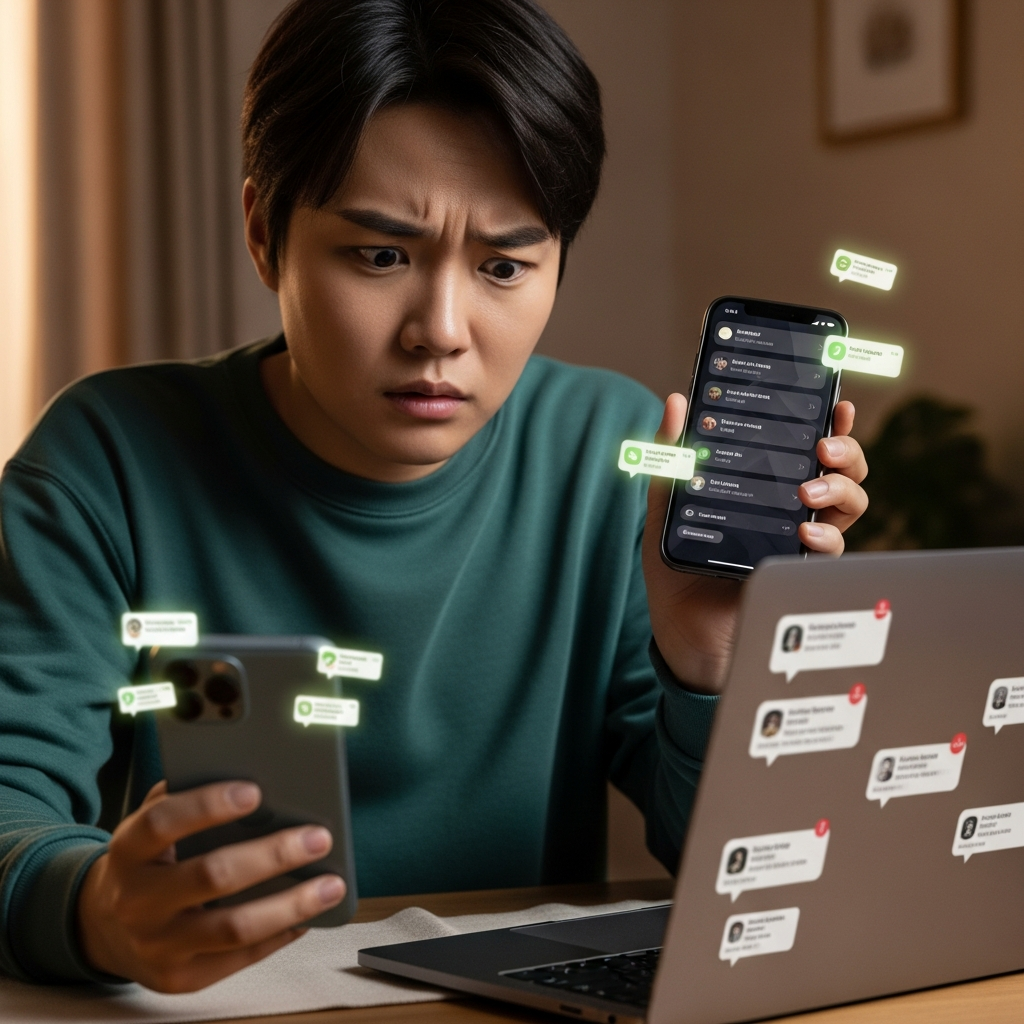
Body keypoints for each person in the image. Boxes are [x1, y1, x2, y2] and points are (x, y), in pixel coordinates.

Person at [0, 0, 869, 993]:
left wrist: (707, 657)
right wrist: (97, 910)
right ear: (261, 230)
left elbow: (741, 873)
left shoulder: (614, 454)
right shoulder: (106, 460)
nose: (441, 330)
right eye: (379, 255)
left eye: (503, 265)